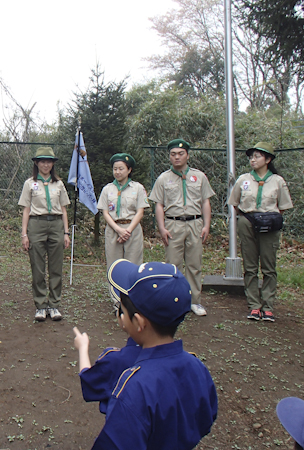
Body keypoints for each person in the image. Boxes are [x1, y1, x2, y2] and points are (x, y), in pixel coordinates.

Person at [75, 259, 217, 449]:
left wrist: (83, 348)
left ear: (139, 323)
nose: (120, 315)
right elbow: (206, 417)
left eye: (122, 310)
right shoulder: (197, 367)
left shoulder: (134, 387)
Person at [149, 139, 214, 316]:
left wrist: (206, 225)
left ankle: (194, 301)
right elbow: (159, 205)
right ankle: (173, 301)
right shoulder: (163, 178)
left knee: (194, 264)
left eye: (180, 154)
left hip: (195, 223)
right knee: (172, 265)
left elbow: (205, 202)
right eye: (173, 154)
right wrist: (161, 228)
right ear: (169, 156)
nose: (177, 157)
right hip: (173, 224)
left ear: (187, 155)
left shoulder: (199, 176)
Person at [228, 142, 293, 322]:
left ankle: (268, 306)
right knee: (250, 266)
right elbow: (235, 204)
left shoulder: (278, 181)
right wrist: (249, 219)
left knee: (268, 266)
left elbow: (283, 206)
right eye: (251, 157)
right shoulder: (243, 179)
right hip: (247, 222)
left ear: (268, 159)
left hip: (270, 224)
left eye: (257, 156)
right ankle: (254, 305)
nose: (253, 159)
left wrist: (268, 220)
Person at [18, 147, 71, 322]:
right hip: (36, 224)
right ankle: (41, 305)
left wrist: (66, 232)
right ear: (36, 163)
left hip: (56, 224)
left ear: (53, 164)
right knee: (37, 267)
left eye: (49, 161)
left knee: (56, 267)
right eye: (42, 161)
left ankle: (54, 305)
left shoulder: (59, 184)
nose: (46, 164)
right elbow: (26, 209)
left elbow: (63, 209)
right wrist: (24, 234)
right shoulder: (29, 183)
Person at [97, 153, 149, 290]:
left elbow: (140, 212)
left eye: (121, 168)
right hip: (113, 229)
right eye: (115, 169)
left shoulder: (138, 188)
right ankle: (117, 301)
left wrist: (128, 230)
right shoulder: (108, 189)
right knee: (114, 266)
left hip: (132, 229)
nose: (117, 172)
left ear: (129, 170)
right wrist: (119, 230)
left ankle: (132, 301)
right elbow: (105, 213)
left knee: (133, 266)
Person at [73, 312, 141, 415]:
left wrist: (83, 348)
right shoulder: (174, 360)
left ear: (123, 320)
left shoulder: (115, 360)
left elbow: (89, 380)